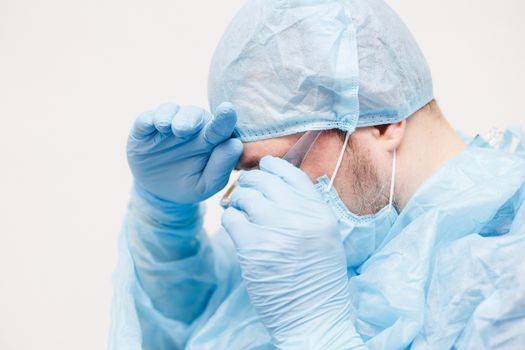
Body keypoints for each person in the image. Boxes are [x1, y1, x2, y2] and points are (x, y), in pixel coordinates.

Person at [110, 0, 525, 349]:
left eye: (283, 164)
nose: (271, 188)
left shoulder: (508, 262)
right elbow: (198, 323)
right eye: (250, 171)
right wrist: (164, 222)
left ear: (383, 120)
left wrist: (320, 335)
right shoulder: (313, 237)